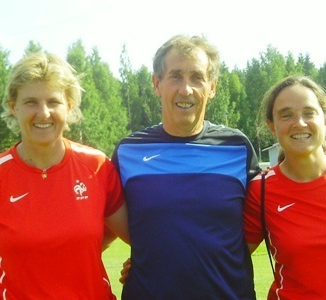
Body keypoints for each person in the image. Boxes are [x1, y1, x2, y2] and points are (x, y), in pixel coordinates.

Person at [111, 34, 260, 299]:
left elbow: (260, 225)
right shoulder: (128, 152)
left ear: (212, 87)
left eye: (197, 78)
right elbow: (109, 222)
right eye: (176, 76)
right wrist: (150, 256)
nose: (186, 90)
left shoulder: (237, 147)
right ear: (157, 84)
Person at [0, 52, 129, 299]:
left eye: (53, 102)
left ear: (69, 107)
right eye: (31, 102)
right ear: (14, 108)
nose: (43, 113)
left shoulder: (98, 167)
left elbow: (142, 238)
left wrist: (142, 265)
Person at [243, 75, 326, 299]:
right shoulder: (261, 191)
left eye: (308, 112)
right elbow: (229, 263)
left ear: (325, 119)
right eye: (286, 115)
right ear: (272, 126)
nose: (299, 123)